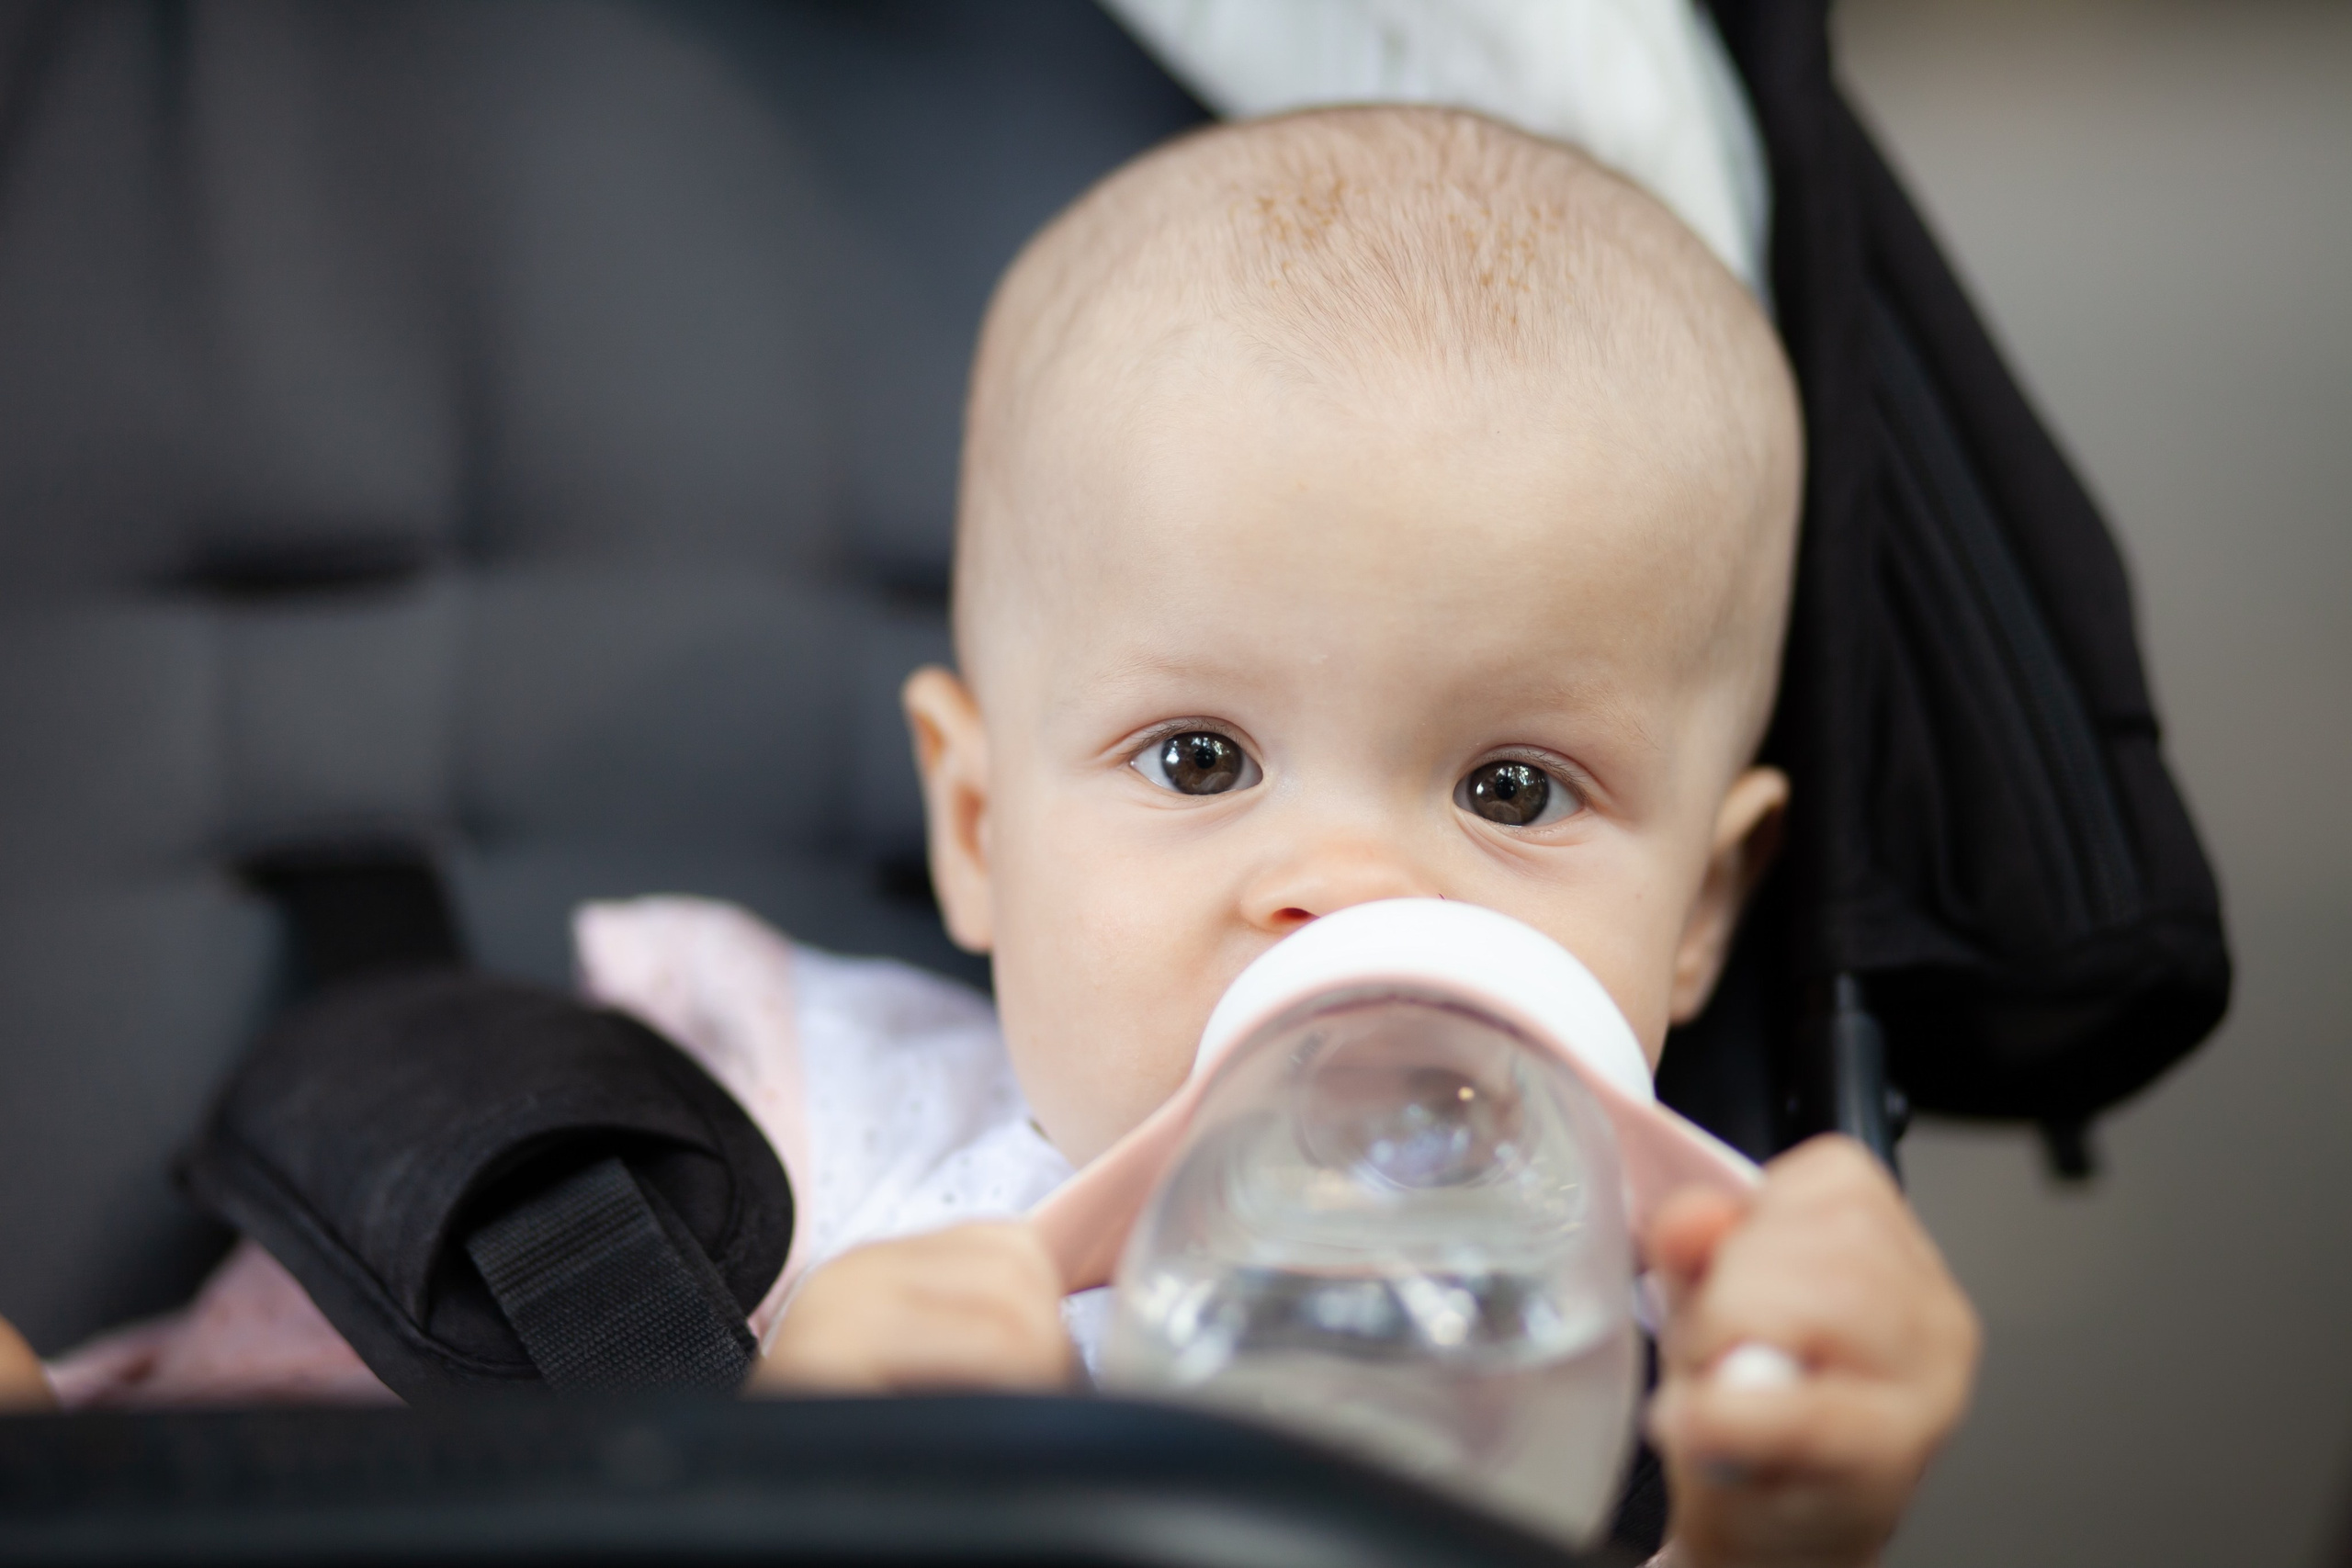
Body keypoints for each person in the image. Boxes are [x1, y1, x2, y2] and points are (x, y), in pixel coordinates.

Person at [4, 106, 1977, 1568]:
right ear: (973, 821)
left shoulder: (1671, 1301)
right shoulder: (781, 1115)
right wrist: (743, 1456)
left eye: (1512, 788)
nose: (1350, 886)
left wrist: (1765, 1516)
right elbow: (269, 1471)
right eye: (1199, 759)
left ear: (1703, 908)